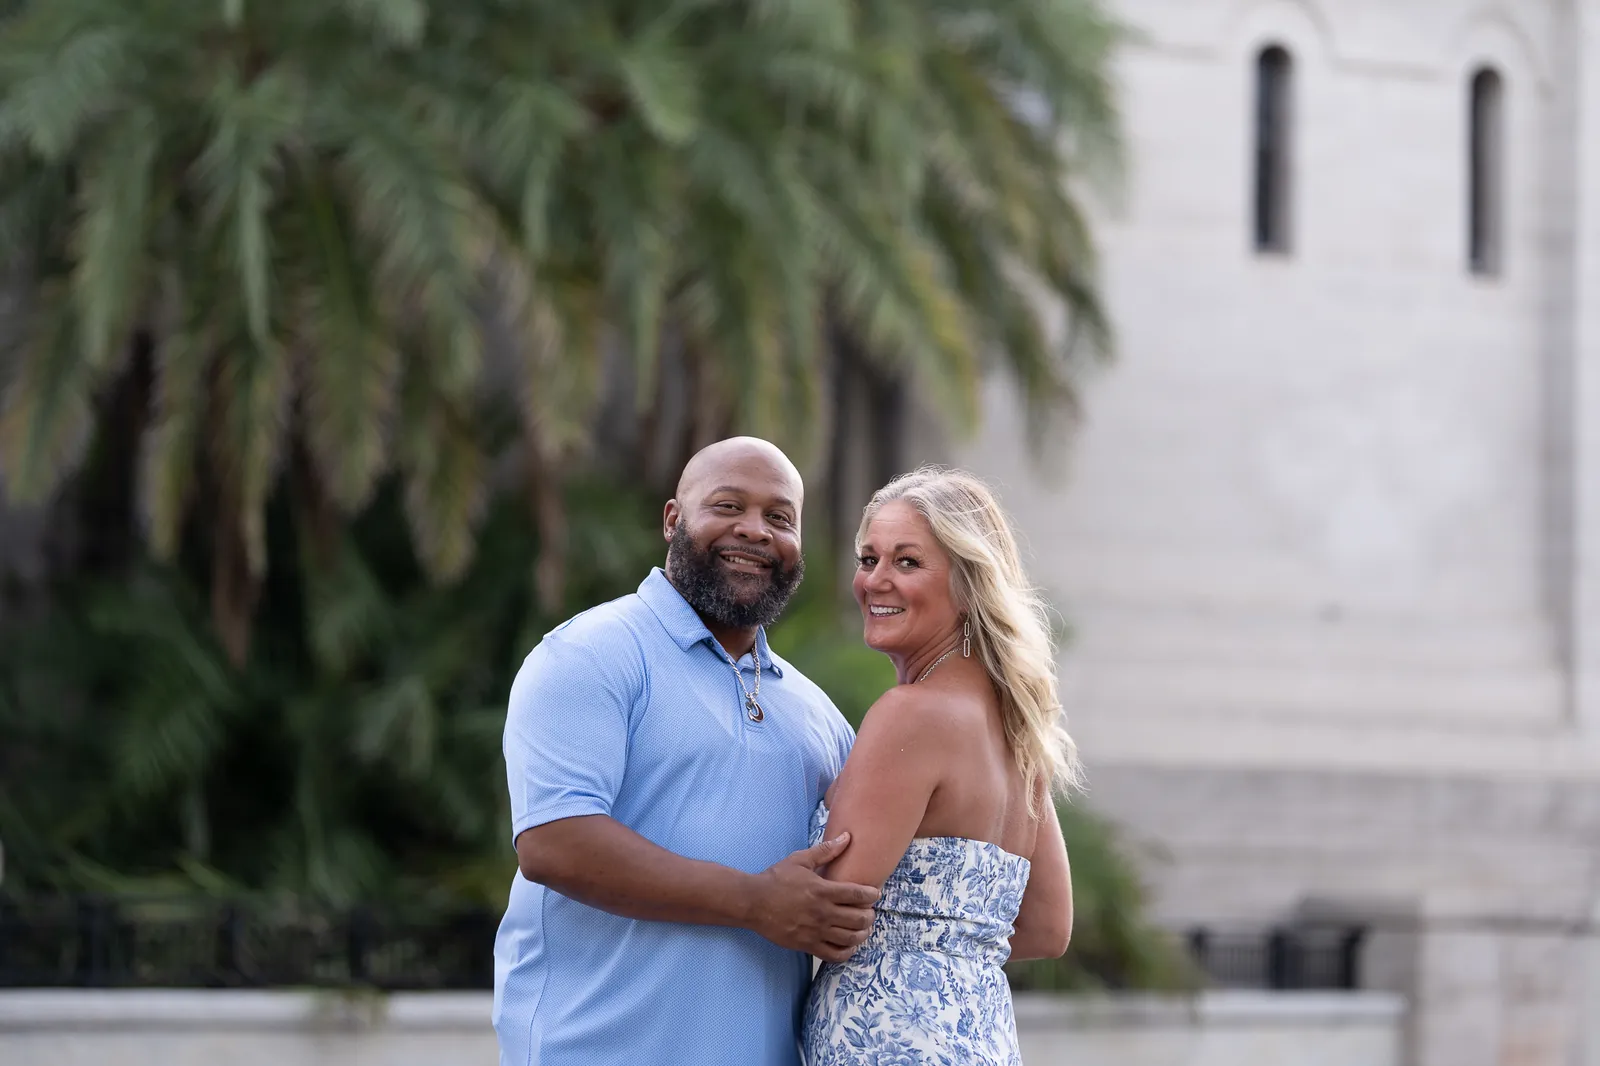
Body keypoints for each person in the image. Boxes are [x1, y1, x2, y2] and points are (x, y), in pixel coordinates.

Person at [492, 437, 879, 1066]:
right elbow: (554, 843)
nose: (754, 531)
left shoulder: (817, 715)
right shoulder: (591, 654)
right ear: (674, 519)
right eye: (728, 506)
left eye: (780, 518)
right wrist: (756, 902)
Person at [801, 467, 1081, 1065]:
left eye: (907, 562)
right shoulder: (1019, 730)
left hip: (889, 1039)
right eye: (868, 557)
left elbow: (823, 907)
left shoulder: (911, 715)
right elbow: (1048, 928)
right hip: (978, 1035)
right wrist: (944, 950)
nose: (875, 580)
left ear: (968, 583)